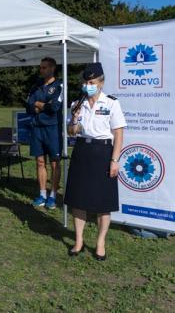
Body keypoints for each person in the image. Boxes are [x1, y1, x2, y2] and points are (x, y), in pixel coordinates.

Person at [66, 62, 126, 261]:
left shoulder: (111, 103)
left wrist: (115, 160)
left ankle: (100, 243)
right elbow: (71, 132)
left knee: (103, 202)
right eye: (85, 82)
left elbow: (118, 134)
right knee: (78, 199)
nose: (87, 85)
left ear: (100, 83)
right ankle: (79, 240)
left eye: (91, 82)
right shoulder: (77, 103)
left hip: (103, 152)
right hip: (82, 150)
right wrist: (74, 120)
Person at [26, 57, 63, 209]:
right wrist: (41, 105)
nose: (41, 70)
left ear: (52, 68)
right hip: (37, 128)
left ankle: (53, 196)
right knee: (40, 162)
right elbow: (28, 106)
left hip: (52, 128)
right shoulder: (36, 85)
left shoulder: (59, 85)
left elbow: (54, 107)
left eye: (44, 67)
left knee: (55, 163)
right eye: (40, 67)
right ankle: (42, 194)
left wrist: (38, 105)